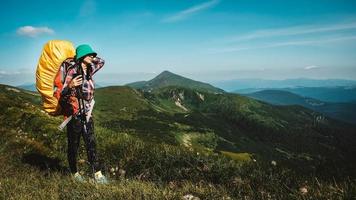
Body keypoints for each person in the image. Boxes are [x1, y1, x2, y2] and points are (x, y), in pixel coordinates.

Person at [60, 44, 108, 184]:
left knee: (91, 143)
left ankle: (97, 174)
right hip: (74, 115)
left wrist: (90, 57)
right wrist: (70, 86)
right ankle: (74, 173)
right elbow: (62, 95)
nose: (92, 57)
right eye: (89, 55)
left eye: (92, 55)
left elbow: (102, 61)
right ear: (81, 56)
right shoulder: (72, 71)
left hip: (87, 114)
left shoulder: (90, 69)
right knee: (73, 145)